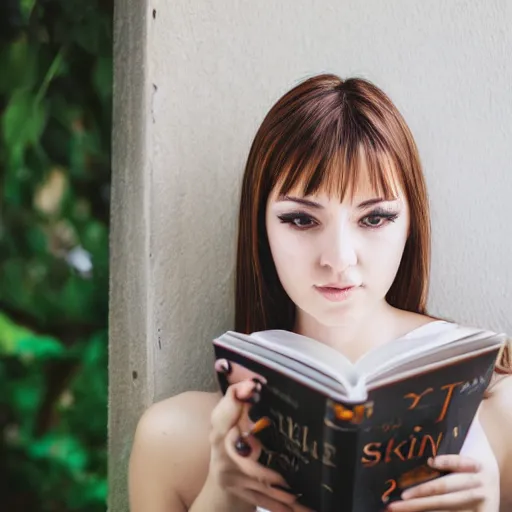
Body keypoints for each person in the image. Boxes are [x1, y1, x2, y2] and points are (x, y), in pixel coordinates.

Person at [128, 74, 512, 512]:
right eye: (301, 220)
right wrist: (221, 497)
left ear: (412, 223)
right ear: (261, 228)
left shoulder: (497, 411)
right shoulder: (174, 439)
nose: (339, 259)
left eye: (374, 219)